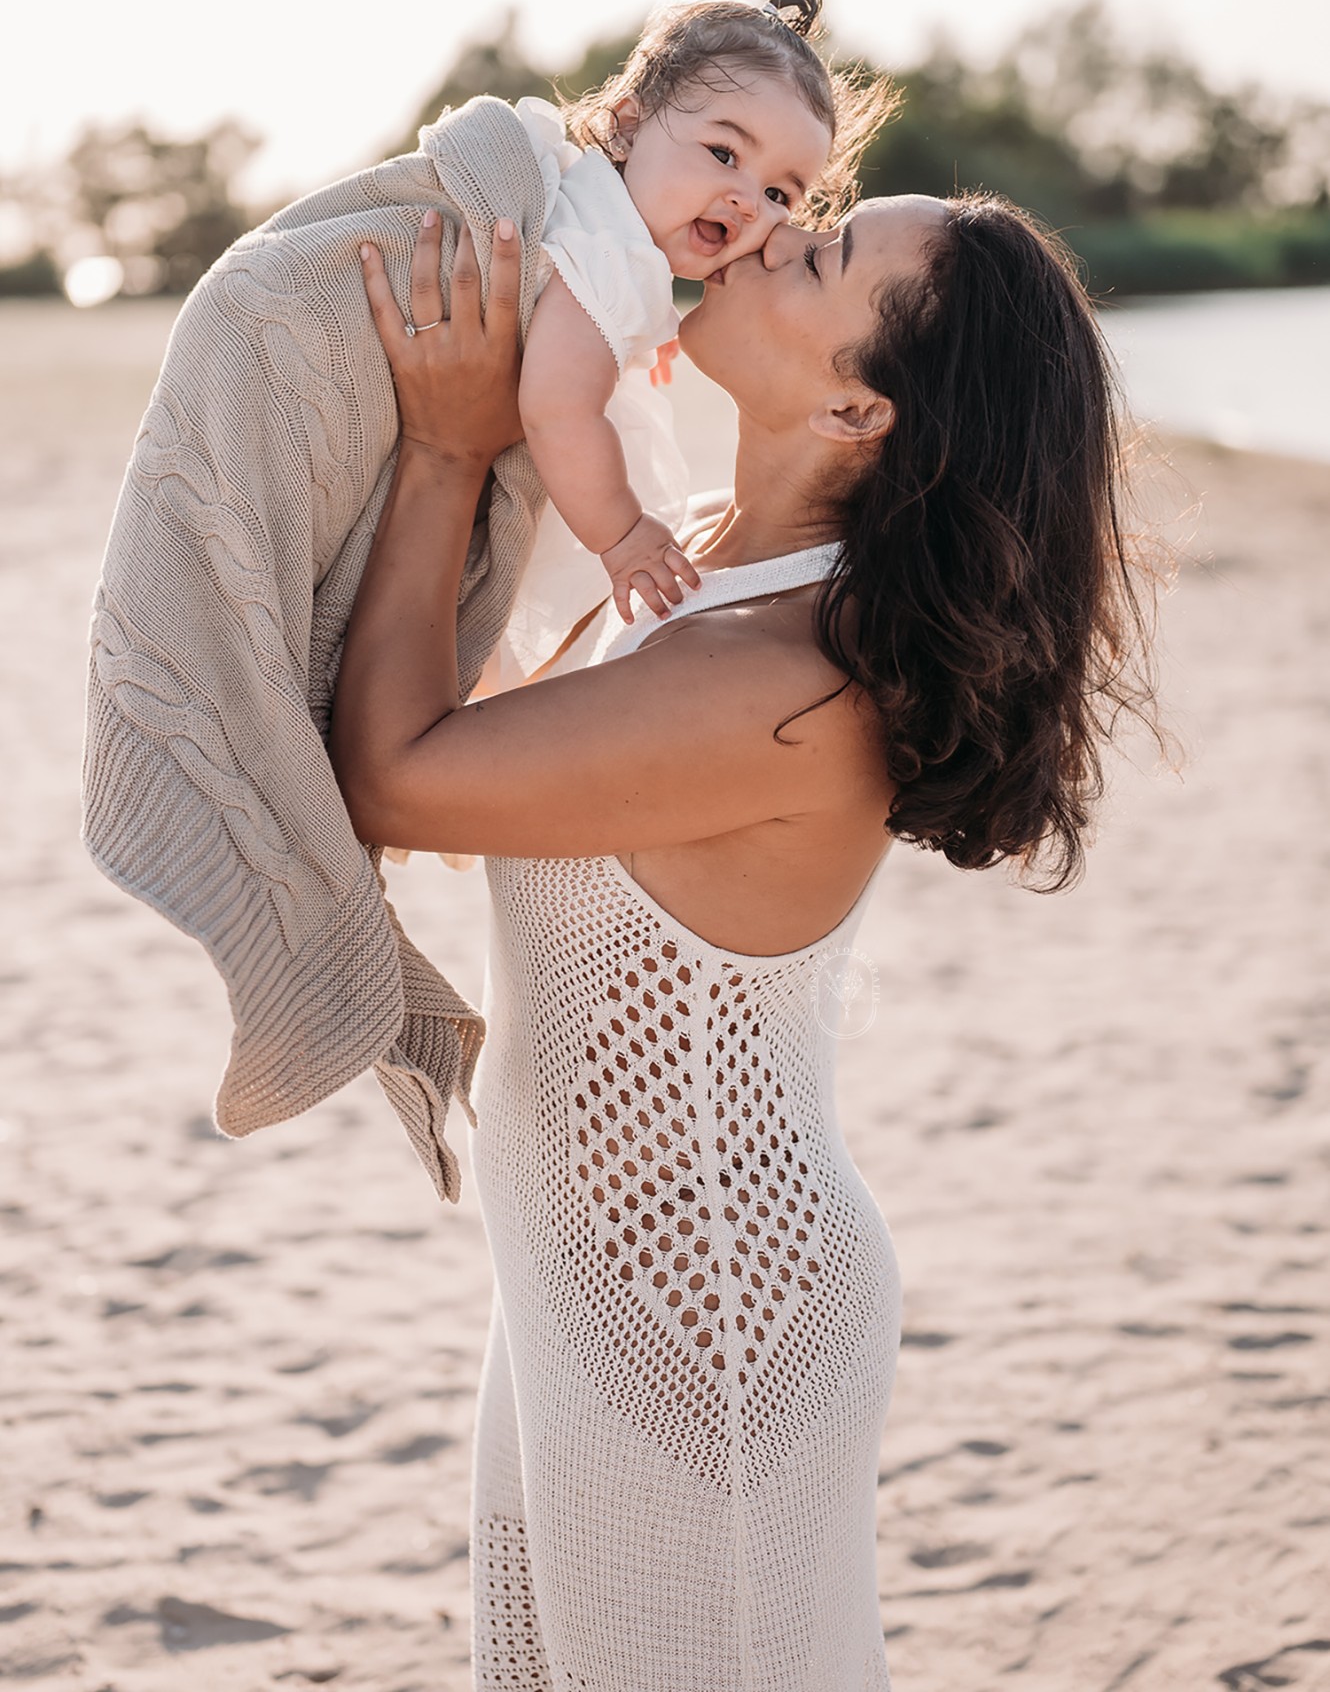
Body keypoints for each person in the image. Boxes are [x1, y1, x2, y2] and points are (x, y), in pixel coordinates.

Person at [328, 170, 1163, 1688]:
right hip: (590, 1280)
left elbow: (397, 778)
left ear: (857, 411)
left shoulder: (786, 675)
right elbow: (474, 771)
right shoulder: (704, 559)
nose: (772, 234)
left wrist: (450, 446)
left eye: (820, 252)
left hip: (702, 1302)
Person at [487, 0, 897, 682]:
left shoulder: (600, 226)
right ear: (627, 120)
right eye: (724, 153)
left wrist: (641, 341)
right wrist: (621, 538)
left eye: (778, 193)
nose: (746, 200)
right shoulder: (609, 256)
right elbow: (559, 406)